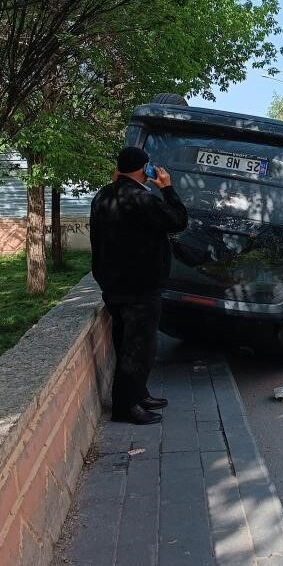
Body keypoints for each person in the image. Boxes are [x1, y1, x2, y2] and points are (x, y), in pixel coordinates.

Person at [90, 147, 189, 425]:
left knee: (124, 343)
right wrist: (167, 189)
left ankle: (138, 393)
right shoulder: (141, 199)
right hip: (140, 288)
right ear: (144, 168)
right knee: (139, 348)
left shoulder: (103, 196)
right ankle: (125, 407)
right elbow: (178, 220)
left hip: (113, 285)